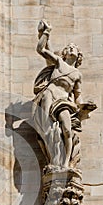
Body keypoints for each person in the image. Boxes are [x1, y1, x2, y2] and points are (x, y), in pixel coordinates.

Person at [34, 20, 83, 167]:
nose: (72, 48)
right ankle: (54, 156)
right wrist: (46, 32)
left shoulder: (77, 74)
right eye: (69, 47)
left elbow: (78, 96)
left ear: (79, 55)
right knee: (47, 125)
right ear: (65, 53)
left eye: (74, 47)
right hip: (50, 93)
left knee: (67, 130)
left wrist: (84, 106)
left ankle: (66, 162)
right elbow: (41, 49)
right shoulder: (59, 63)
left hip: (64, 102)